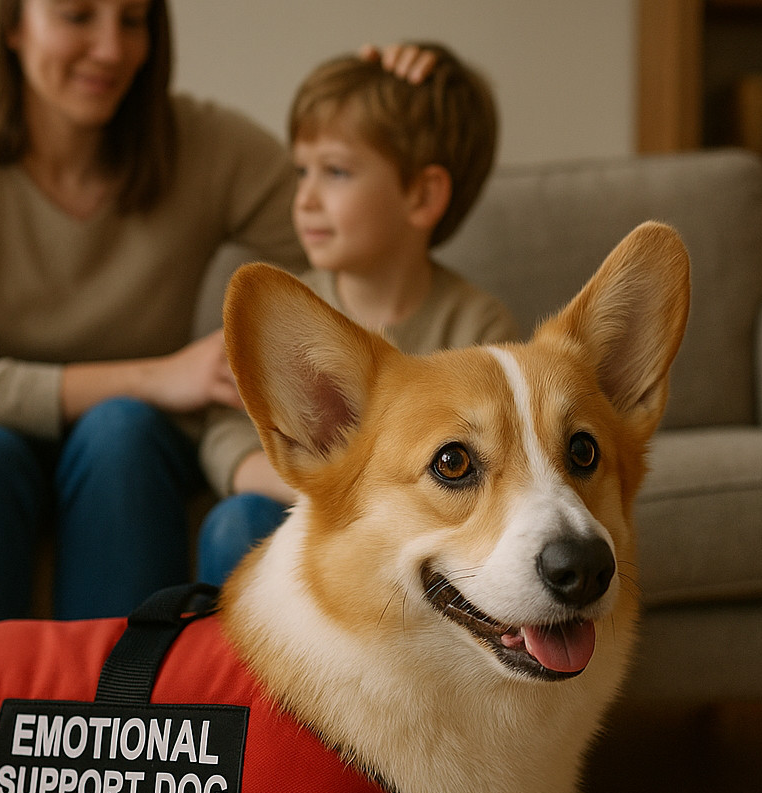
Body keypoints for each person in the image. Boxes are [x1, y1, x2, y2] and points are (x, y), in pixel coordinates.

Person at [0, 0, 315, 635]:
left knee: (123, 429)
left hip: (123, 450)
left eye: (132, 21)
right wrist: (152, 376)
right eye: (78, 15)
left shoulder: (205, 147)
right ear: (12, 25)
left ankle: (119, 721)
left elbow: (345, 231)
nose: (112, 48)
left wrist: (393, 99)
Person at [195, 42, 519, 585]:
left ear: (421, 195)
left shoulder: (478, 326)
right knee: (237, 523)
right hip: (296, 512)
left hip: (410, 539)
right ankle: (226, 675)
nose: (305, 198)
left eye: (336, 172)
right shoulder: (290, 317)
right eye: (302, 171)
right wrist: (308, 485)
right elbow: (227, 431)